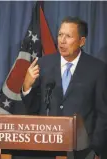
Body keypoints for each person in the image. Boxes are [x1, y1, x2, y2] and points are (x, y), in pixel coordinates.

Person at [22, 16, 107, 159]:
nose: (62, 41)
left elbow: (103, 114)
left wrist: (95, 150)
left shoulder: (97, 69)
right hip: (46, 149)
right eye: (60, 35)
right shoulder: (43, 64)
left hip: (83, 152)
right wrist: (27, 86)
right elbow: (33, 108)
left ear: (82, 41)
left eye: (68, 36)